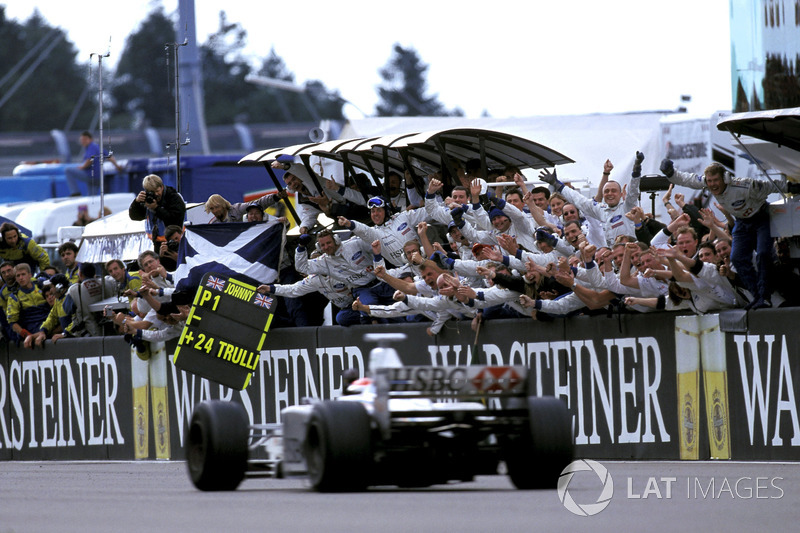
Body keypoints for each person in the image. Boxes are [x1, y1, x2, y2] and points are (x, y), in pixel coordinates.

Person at [660, 158, 800, 309]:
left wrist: (791, 186)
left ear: (725, 179)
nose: (712, 184)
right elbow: (688, 179)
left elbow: (769, 186)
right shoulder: (706, 183)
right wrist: (670, 173)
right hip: (741, 222)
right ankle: (758, 296)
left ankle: (765, 295)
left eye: (716, 180)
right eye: (709, 181)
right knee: (737, 257)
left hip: (761, 218)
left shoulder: (744, 185)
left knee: (764, 254)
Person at [128, 174, 186, 254]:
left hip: (175, 243)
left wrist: (156, 208)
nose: (156, 194)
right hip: (158, 243)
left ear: (162, 187)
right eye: (152, 192)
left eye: (157, 191)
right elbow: (135, 217)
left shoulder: (173, 197)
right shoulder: (148, 200)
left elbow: (175, 219)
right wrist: (136, 202)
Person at [64, 130, 123, 197]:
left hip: (91, 175)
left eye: (85, 139)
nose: (83, 141)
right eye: (82, 139)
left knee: (68, 170)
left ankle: (75, 193)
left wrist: (82, 167)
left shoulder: (91, 147)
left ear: (91, 139)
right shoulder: (97, 147)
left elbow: (90, 160)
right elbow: (109, 157)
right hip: (99, 178)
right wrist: (117, 166)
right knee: (91, 198)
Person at [5, 263, 50, 341]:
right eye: (18, 276)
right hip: (31, 328)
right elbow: (12, 322)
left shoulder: (41, 286)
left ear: (30, 275)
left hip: (49, 323)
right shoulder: (14, 297)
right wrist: (26, 334)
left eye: (23, 274)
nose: (21, 278)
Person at [204, 191, 286, 223]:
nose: (215, 210)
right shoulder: (213, 224)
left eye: (217, 207)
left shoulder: (237, 209)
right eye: (211, 208)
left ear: (223, 205)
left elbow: (259, 203)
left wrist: (276, 197)